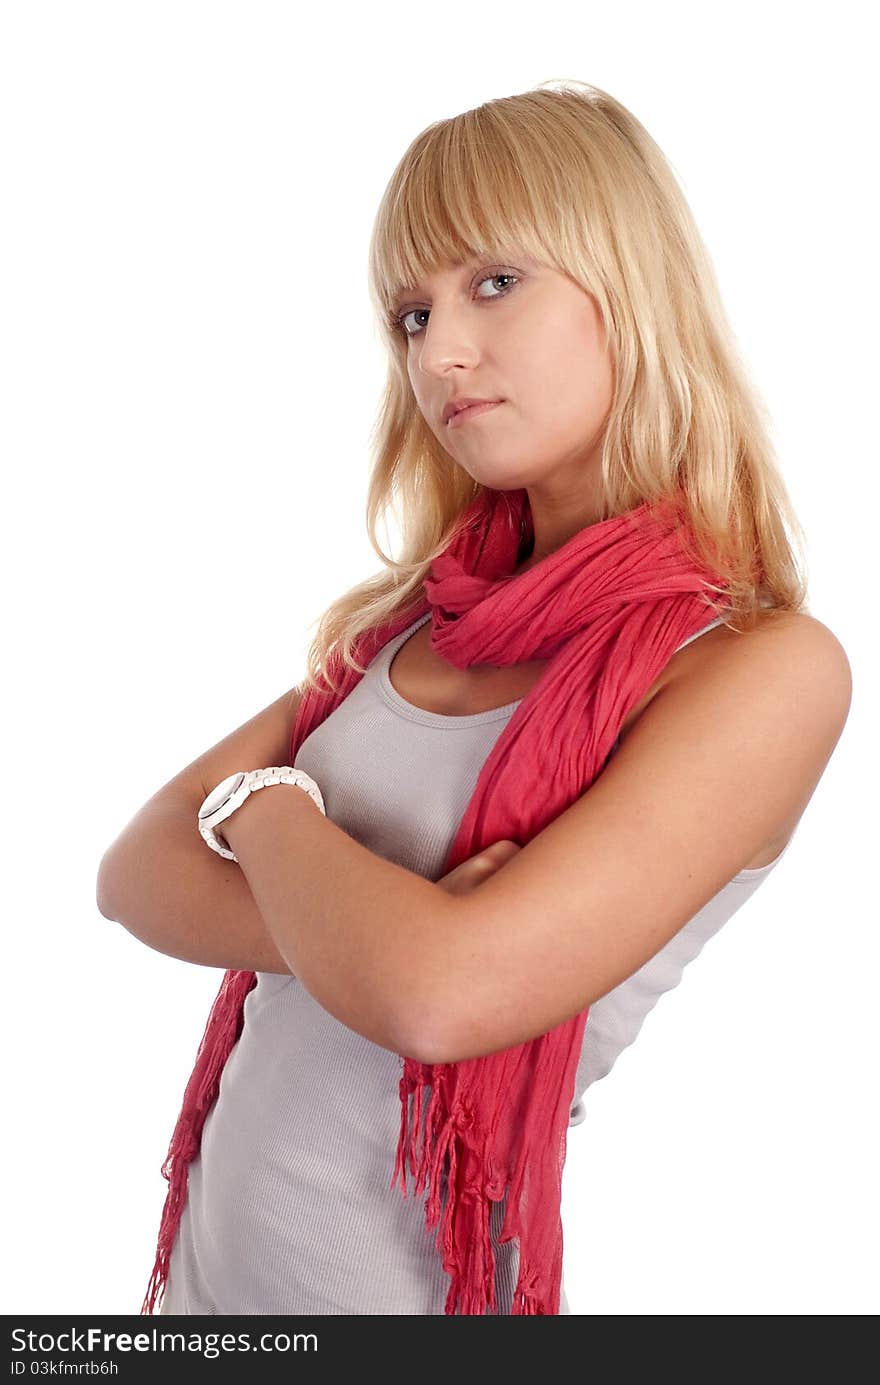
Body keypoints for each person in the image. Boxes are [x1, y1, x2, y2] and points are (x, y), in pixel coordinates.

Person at [96, 80, 851, 1316]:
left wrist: (270, 811)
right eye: (411, 309)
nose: (438, 352)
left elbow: (438, 1001)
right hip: (200, 1298)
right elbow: (133, 872)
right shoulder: (408, 622)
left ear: (630, 284)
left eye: (494, 282)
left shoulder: (755, 668)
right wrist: (378, 933)